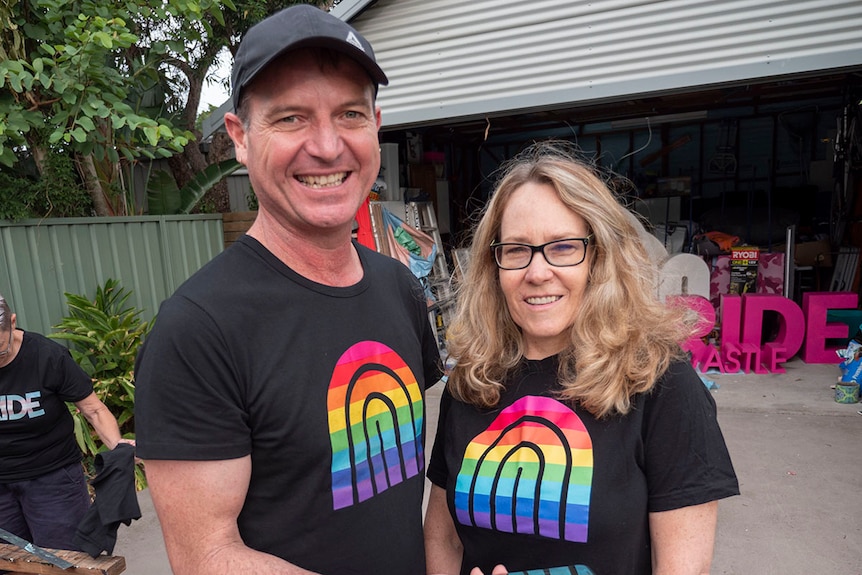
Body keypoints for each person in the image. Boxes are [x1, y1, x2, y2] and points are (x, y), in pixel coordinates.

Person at [133, 5, 442, 575]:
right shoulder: (198, 330)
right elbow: (206, 557)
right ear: (240, 138)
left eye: (349, 113)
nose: (326, 147)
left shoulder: (397, 286)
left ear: (376, 126)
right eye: (291, 118)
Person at [424, 140, 739, 575]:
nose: (537, 272)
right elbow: (441, 537)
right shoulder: (471, 380)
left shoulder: (661, 383)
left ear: (601, 256)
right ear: (492, 266)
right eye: (516, 249)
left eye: (563, 246)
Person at [0, 293, 131, 551]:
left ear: (13, 323)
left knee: (65, 561)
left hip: (52, 479)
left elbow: (93, 410)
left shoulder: (47, 357)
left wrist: (117, 445)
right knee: (10, 561)